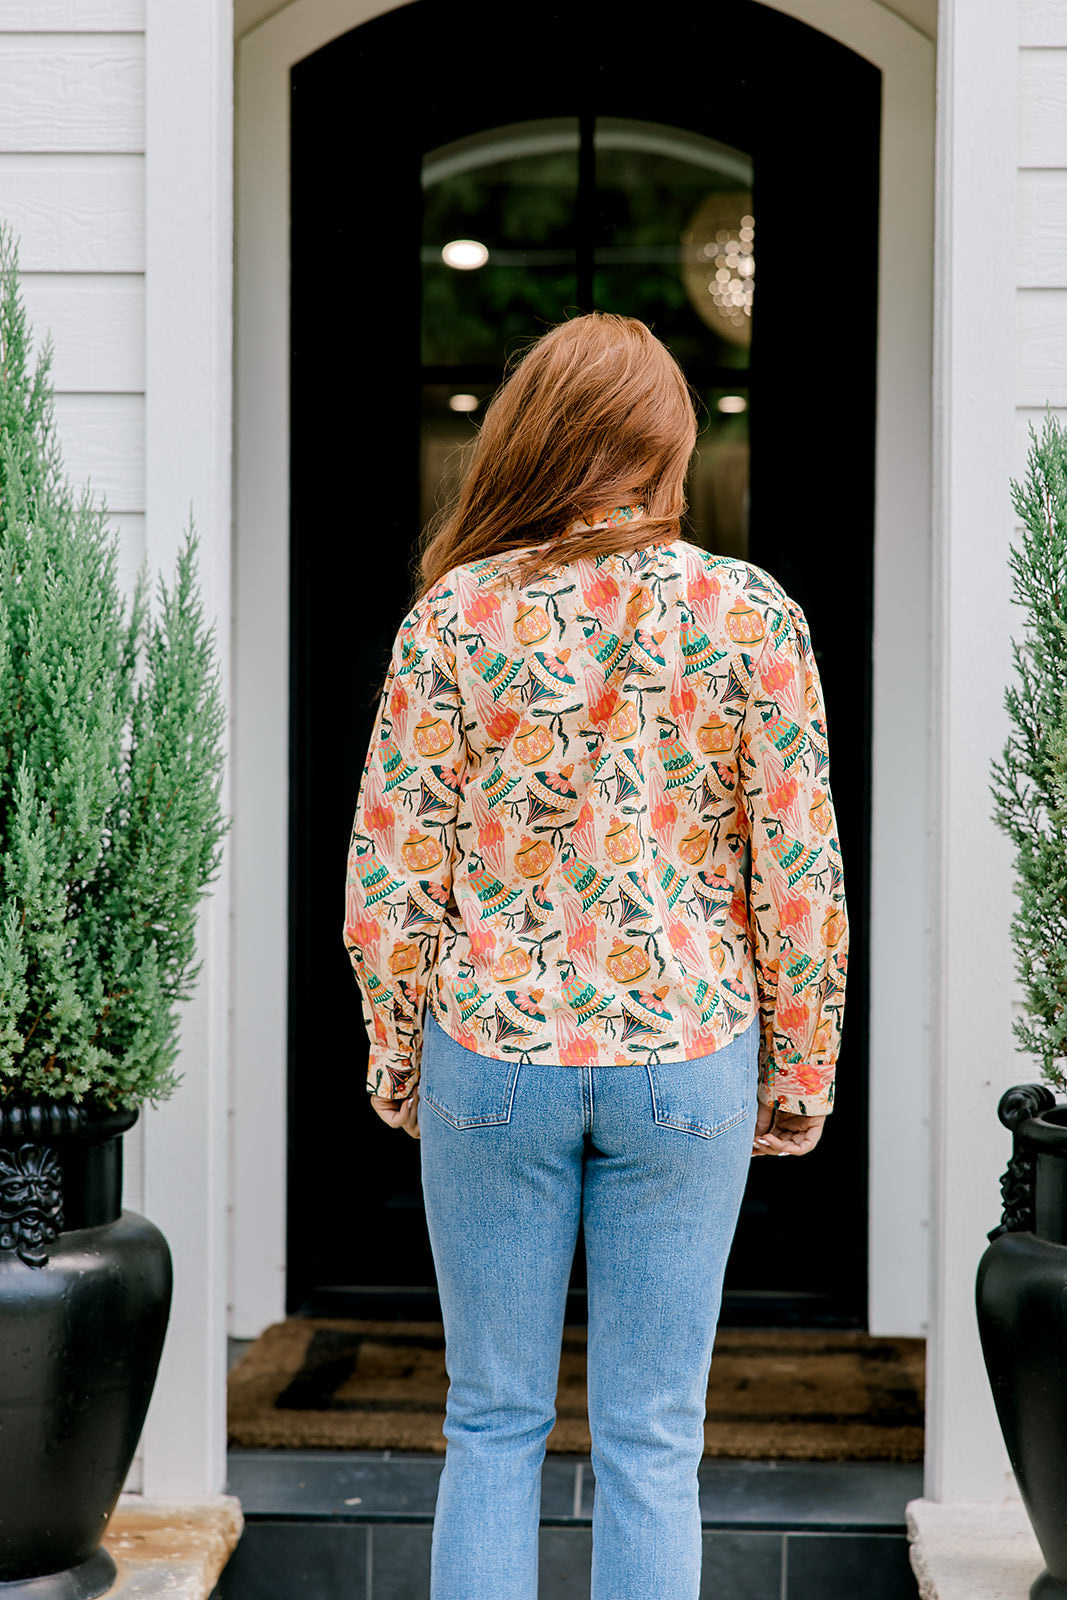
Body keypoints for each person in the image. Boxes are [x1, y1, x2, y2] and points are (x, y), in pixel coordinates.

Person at [343, 311, 848, 1600]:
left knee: (493, 1423)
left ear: (535, 437)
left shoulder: (455, 618)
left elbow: (395, 866)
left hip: (493, 1051)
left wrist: (396, 1048)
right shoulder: (751, 615)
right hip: (688, 1055)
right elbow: (796, 873)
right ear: (669, 446)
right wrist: (803, 1068)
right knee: (653, 1438)